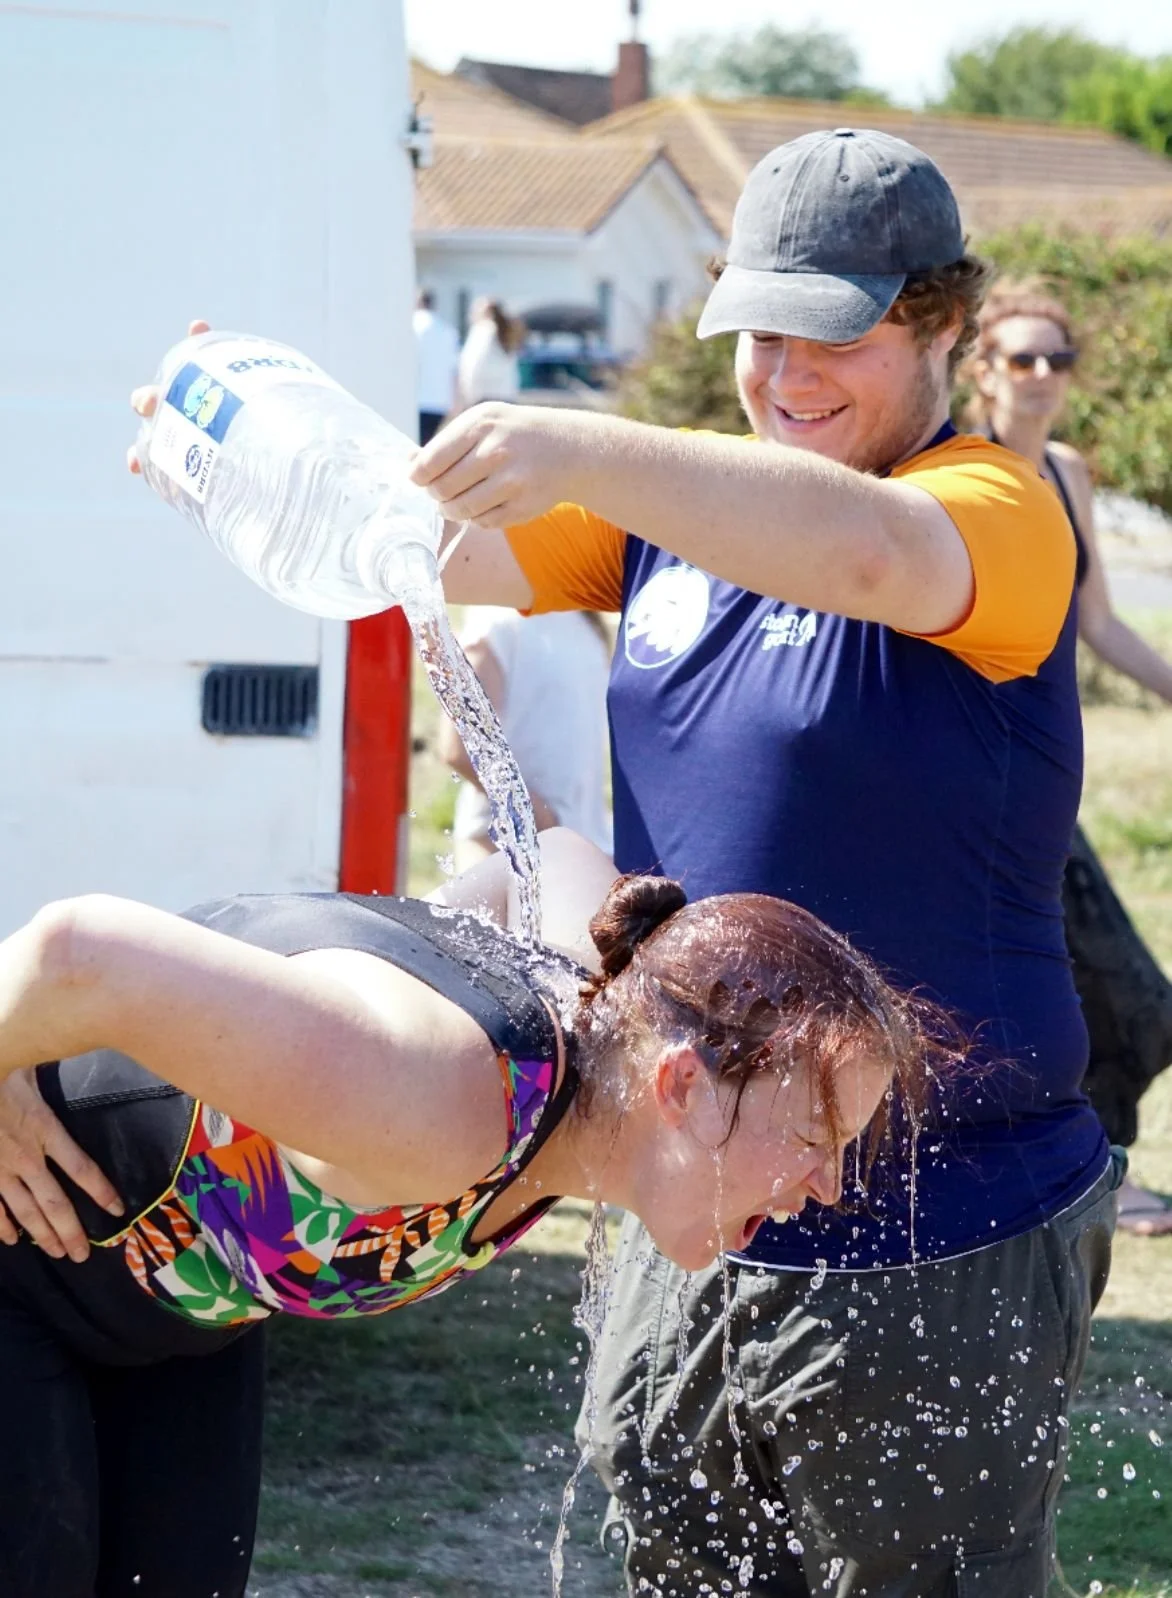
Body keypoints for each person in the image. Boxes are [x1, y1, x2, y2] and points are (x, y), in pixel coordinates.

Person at [403, 129, 1121, 1596]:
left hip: (940, 1232)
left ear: (939, 325)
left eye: (835, 332)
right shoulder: (670, 525)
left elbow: (869, 558)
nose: (787, 370)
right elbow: (422, 545)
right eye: (758, 329)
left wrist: (584, 441)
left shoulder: (999, 510)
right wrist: (253, 453)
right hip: (695, 1210)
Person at [0, 825, 938, 1598]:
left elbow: (556, 856)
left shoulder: (607, 1008)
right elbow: (75, 952)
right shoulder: (432, 1095)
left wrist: (401, 956)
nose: (828, 1186)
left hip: (176, 1327)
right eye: (814, 1139)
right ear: (682, 1085)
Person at [969, 279, 1172, 1235]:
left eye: (1058, 357)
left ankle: (1098, 1169)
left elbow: (1097, 621)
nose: (1043, 375)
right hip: (971, 774)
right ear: (981, 370)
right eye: (1022, 357)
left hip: (1044, 773)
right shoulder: (952, 474)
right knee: (1077, 984)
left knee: (1126, 995)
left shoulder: (1067, 474)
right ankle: (1091, 1179)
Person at [439, 606, 612, 870]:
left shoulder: (585, 623)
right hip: (503, 848)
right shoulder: (495, 623)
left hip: (583, 846)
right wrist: (533, 810)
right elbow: (459, 746)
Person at [413, 287, 460, 445]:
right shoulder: (448, 330)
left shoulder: (412, 326)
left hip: (417, 398)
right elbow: (454, 369)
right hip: (440, 401)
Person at [457, 296, 523, 407]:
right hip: (507, 396)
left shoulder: (483, 331)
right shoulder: (506, 331)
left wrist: (467, 395)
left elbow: (472, 365)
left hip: (484, 398)